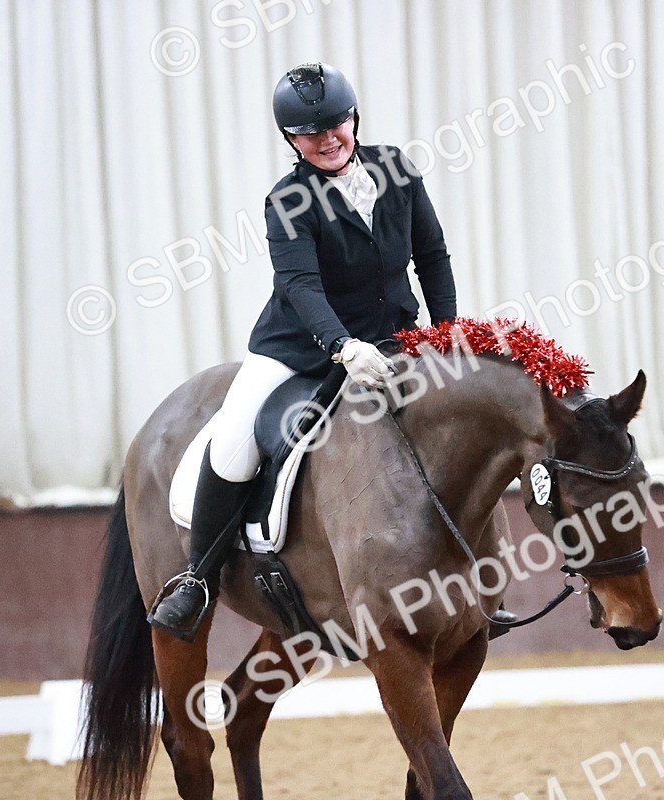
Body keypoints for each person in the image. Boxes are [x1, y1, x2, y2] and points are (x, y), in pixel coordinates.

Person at [149, 62, 461, 640]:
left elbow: (433, 256)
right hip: (296, 350)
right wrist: (343, 347)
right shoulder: (287, 201)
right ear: (290, 140)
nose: (327, 140)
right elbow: (300, 286)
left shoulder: (395, 171)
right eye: (309, 134)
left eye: (336, 126)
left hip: (396, 338)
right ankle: (198, 578)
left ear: (354, 119)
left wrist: (448, 335)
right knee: (235, 444)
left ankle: (471, 582)